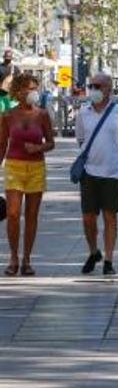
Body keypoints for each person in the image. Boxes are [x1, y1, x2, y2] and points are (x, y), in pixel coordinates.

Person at [75, 72, 118, 277]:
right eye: (91, 85)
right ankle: (94, 252)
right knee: (88, 217)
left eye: (98, 86)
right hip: (89, 173)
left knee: (110, 216)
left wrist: (117, 159)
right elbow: (81, 141)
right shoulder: (83, 113)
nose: (94, 89)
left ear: (109, 89)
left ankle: (109, 259)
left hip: (113, 174)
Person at [0, 72, 54, 276]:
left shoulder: (42, 115)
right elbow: (1, 144)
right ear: (19, 92)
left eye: (35, 89)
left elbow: (51, 143)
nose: (33, 93)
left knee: (32, 215)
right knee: (13, 213)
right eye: (29, 89)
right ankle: (13, 257)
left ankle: (27, 259)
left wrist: (39, 148)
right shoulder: (8, 116)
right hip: (14, 166)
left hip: (36, 168)